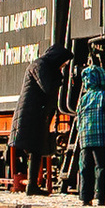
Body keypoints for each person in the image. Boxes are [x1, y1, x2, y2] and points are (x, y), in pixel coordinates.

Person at [8, 36, 69, 191]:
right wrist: (60, 78)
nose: (62, 67)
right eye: (62, 64)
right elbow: (47, 87)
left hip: (37, 114)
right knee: (34, 149)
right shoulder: (39, 66)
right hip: (31, 114)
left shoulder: (44, 66)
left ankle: (32, 185)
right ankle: (32, 185)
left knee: (36, 150)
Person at [72, 44, 105, 205]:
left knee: (85, 168)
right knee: (102, 167)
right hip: (102, 138)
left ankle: (85, 197)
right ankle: (102, 197)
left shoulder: (83, 99)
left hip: (85, 139)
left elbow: (78, 118)